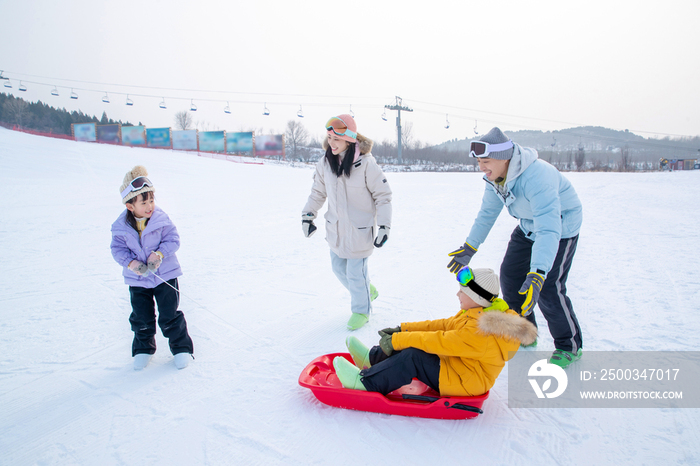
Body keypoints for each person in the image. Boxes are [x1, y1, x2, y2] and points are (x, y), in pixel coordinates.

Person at [446, 127, 583, 368]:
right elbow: (487, 213)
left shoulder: (538, 177)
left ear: (504, 158)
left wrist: (538, 272)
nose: (481, 167)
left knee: (549, 287)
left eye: (486, 161)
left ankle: (568, 345)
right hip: (528, 225)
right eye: (479, 161)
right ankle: (525, 332)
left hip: (560, 228)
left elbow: (549, 229)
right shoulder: (494, 178)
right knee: (510, 277)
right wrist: (469, 247)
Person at [333, 267, 537, 396]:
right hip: (459, 367)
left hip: (465, 381)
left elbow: (440, 341)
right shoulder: (479, 312)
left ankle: (365, 383)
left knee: (413, 356)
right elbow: (442, 326)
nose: (457, 293)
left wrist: (398, 340)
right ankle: (373, 360)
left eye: (463, 291)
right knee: (413, 344)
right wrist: (403, 329)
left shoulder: (481, 332)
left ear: (477, 297)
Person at [302, 114, 392, 330]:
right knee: (337, 268)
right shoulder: (325, 163)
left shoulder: (366, 165)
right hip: (336, 230)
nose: (332, 144)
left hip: (359, 231)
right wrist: (308, 215)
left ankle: (361, 310)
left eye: (337, 140)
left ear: (350, 140)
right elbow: (317, 192)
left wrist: (384, 226)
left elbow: (383, 195)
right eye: (329, 138)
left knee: (354, 272)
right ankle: (366, 289)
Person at [110, 166, 194, 370]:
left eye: (151, 201)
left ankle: (182, 348)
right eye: (144, 202)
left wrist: (159, 254)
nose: (150, 206)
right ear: (130, 206)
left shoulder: (161, 219)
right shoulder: (120, 226)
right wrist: (131, 263)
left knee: (169, 314)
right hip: (138, 280)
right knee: (141, 317)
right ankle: (143, 349)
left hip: (165, 276)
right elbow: (117, 249)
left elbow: (173, 239)